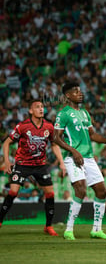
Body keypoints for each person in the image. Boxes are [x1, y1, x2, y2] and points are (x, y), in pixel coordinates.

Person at [54, 81, 106, 240]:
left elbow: (92, 135)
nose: (80, 93)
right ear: (68, 95)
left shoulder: (84, 113)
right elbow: (56, 137)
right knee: (81, 190)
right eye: (76, 91)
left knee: (101, 191)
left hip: (88, 157)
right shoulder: (64, 113)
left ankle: (96, 229)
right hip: (72, 158)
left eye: (80, 91)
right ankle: (69, 229)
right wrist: (73, 151)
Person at [0, 99, 66, 236]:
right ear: (30, 111)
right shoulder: (22, 126)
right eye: (37, 107)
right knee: (13, 192)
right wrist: (7, 162)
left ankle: (48, 226)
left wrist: (61, 162)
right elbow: (6, 143)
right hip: (22, 164)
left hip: (40, 165)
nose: (41, 109)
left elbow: (54, 144)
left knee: (50, 193)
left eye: (42, 107)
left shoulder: (49, 126)